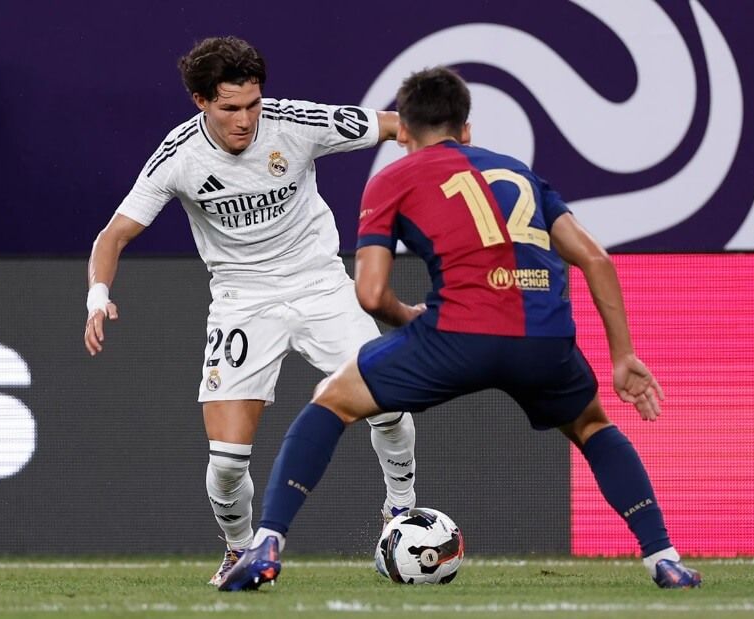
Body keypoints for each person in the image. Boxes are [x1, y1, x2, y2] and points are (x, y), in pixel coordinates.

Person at [220, 67, 702, 591]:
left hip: (457, 336)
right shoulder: (518, 172)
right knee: (592, 427)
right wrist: (622, 356)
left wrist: (408, 319)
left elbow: (370, 294)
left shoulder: (392, 180)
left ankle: (266, 543)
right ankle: (664, 558)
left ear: (403, 130)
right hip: (544, 339)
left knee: (332, 400)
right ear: (466, 130)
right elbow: (596, 259)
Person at [83, 36, 417, 586]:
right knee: (226, 463)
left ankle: (400, 511)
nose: (245, 120)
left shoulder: (296, 122)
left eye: (253, 104)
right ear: (200, 101)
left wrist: (452, 142)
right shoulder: (178, 156)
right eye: (230, 108)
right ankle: (241, 552)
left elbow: (396, 125)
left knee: (389, 401)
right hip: (242, 301)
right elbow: (113, 236)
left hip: (320, 285)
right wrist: (98, 295)